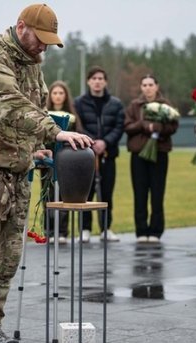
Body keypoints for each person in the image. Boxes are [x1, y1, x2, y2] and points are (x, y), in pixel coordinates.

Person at [0, 3, 93, 343]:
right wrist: (53, 133)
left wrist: (38, 148)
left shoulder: (32, 66)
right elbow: (8, 106)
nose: (43, 47)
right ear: (21, 27)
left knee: (9, 257)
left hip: (17, 173)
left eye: (49, 42)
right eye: (40, 39)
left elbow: (33, 112)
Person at [124, 74, 179, 244]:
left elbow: (173, 125)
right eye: (144, 84)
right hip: (138, 154)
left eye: (150, 84)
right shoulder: (134, 106)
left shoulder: (166, 105)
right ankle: (141, 230)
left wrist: (157, 127)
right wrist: (142, 125)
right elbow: (127, 126)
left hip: (159, 153)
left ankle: (156, 230)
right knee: (140, 193)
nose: (147, 87)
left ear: (157, 86)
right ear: (141, 87)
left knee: (157, 192)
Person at [74, 66, 125, 242]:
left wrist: (105, 142)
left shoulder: (116, 104)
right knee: (86, 193)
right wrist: (92, 142)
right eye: (94, 78)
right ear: (88, 81)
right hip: (86, 156)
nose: (97, 81)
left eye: (100, 78)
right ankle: (85, 229)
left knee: (107, 192)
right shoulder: (79, 103)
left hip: (108, 155)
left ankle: (105, 228)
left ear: (105, 82)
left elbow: (119, 127)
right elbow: (79, 126)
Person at [44, 80, 77, 243]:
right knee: (47, 195)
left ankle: (63, 231)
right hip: (48, 159)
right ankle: (49, 230)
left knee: (64, 194)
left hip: (66, 161)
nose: (57, 96)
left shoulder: (72, 116)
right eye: (55, 93)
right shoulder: (43, 114)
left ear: (65, 96)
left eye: (61, 93)